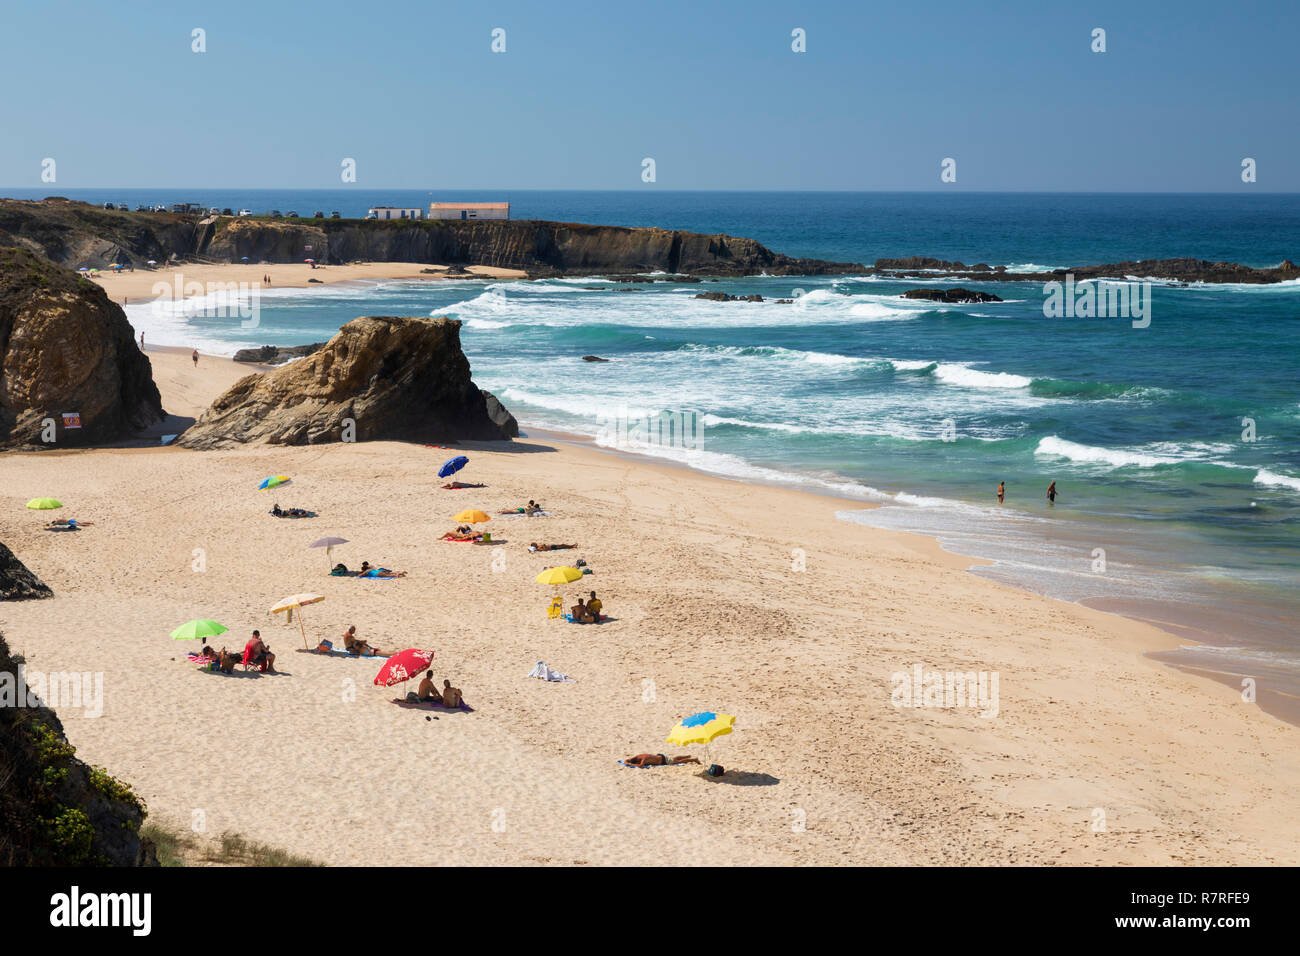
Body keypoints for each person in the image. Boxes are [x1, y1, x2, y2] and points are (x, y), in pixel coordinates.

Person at [623, 753, 699, 767]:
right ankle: (686, 756)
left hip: (662, 760)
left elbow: (640, 765)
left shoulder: (644, 759)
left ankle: (694, 759)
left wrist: (630, 764)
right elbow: (628, 759)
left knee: (677, 762)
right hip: (660, 756)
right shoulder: (639, 756)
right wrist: (627, 761)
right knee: (673, 759)